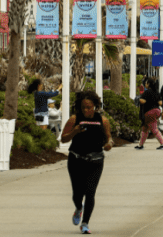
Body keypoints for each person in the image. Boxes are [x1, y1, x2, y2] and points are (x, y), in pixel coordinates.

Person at [61, 90, 113, 235]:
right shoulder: (74, 119)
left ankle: (85, 223)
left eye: (89, 107)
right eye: (83, 107)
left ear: (95, 106)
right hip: (76, 160)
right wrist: (74, 132)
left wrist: (108, 145)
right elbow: (63, 139)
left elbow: (108, 139)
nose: (86, 110)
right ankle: (78, 208)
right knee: (77, 194)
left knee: (90, 193)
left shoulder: (103, 121)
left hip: (95, 161)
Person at [136, 77, 163, 150]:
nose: (145, 84)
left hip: (149, 112)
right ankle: (140, 145)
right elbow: (160, 103)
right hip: (157, 111)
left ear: (148, 84)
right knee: (145, 129)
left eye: (146, 82)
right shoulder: (157, 92)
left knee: (154, 129)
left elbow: (142, 101)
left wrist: (138, 99)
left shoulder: (147, 92)